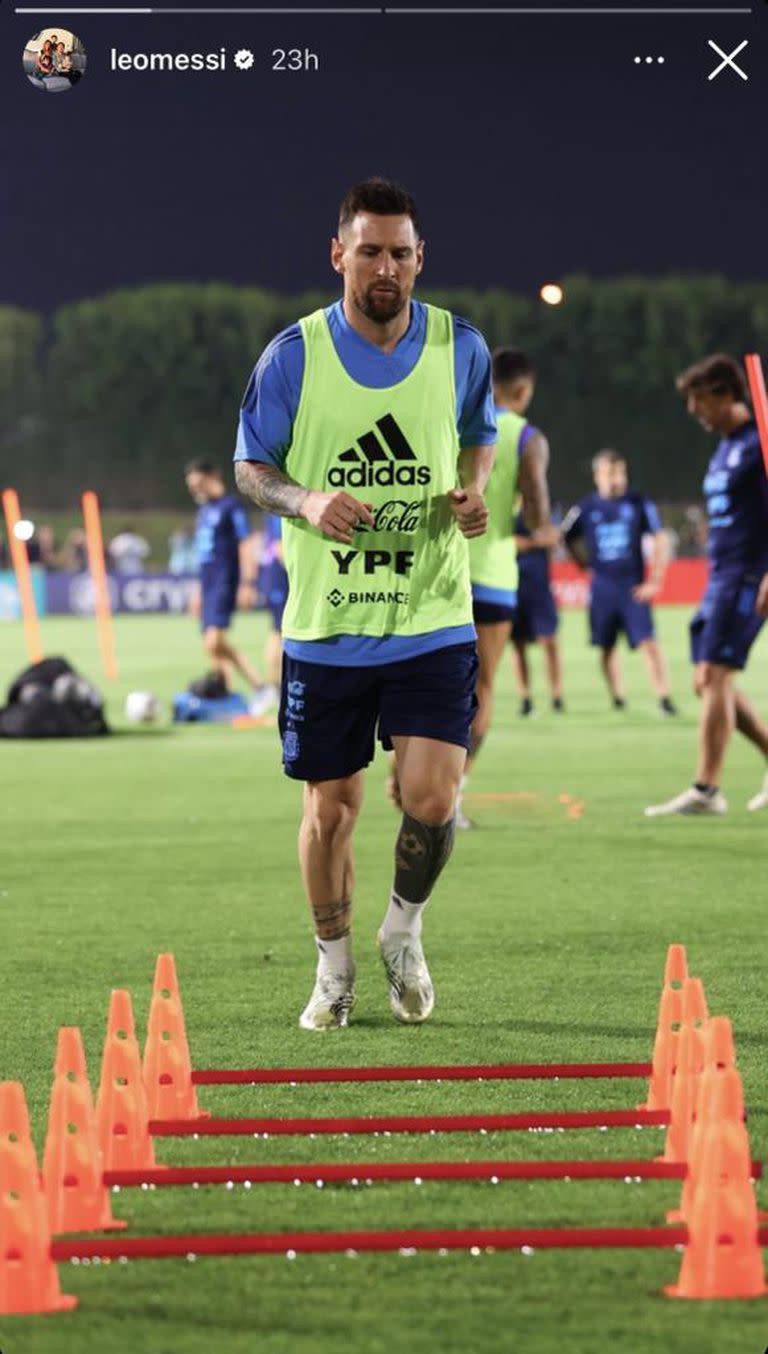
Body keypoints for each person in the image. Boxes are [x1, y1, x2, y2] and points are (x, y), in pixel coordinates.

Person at [234, 176, 494, 1030]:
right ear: (338, 253)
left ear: (422, 260)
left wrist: (471, 490)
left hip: (430, 613)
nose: (387, 266)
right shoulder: (292, 356)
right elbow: (251, 467)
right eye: (371, 249)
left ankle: (403, 932)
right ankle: (334, 969)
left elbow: (479, 434)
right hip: (327, 625)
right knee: (330, 811)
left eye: (402, 252)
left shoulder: (461, 347)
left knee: (431, 797)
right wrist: (307, 501)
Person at [646, 354, 768, 817]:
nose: (694, 411)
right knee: (706, 681)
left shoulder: (760, 444)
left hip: (749, 574)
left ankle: (706, 789)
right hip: (721, 575)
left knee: (717, 675)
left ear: (724, 394)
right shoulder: (725, 447)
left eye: (699, 400)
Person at [456, 347, 557, 827]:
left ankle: (409, 772)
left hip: (440, 573)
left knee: (425, 682)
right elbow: (537, 517)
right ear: (523, 391)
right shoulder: (526, 437)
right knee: (482, 688)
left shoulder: (453, 418)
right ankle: (450, 798)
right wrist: (545, 532)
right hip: (493, 578)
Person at [563, 450, 677, 715]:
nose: (616, 479)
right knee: (606, 646)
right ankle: (617, 697)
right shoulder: (586, 508)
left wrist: (656, 580)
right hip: (602, 588)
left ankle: (664, 698)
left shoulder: (638, 503)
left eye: (620, 473)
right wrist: (582, 563)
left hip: (633, 587)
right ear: (597, 476)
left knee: (649, 643)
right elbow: (566, 536)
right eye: (610, 473)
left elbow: (659, 538)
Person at [184, 459, 264, 694]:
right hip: (208, 583)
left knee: (214, 641)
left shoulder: (231, 507)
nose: (194, 490)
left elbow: (246, 542)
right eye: (191, 487)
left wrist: (248, 582)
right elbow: (203, 555)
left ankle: (259, 686)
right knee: (210, 646)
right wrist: (198, 591)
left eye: (197, 484)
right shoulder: (204, 511)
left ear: (212, 477)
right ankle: (224, 689)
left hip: (225, 580)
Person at [512, 507, 564, 717]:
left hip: (541, 588)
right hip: (513, 586)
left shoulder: (545, 508)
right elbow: (509, 542)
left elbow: (554, 537)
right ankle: (525, 698)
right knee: (519, 645)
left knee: (549, 641)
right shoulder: (508, 509)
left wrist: (528, 542)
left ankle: (557, 697)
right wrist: (536, 540)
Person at [255, 513, 288, 714]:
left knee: (277, 630)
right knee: (278, 630)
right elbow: (279, 547)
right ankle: (273, 687)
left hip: (274, 577)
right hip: (278, 577)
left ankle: (274, 687)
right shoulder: (281, 511)